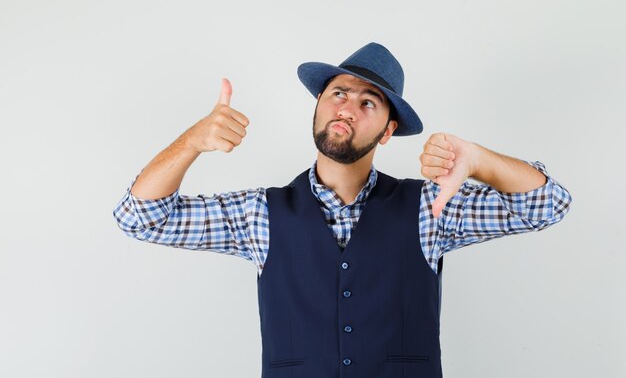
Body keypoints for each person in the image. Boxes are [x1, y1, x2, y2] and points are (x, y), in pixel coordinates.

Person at [113, 42, 572, 377]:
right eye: (338, 94)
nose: (347, 108)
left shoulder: (431, 209)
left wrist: (478, 161)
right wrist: (192, 142)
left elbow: (548, 204)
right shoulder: (259, 215)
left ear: (388, 130)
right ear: (318, 105)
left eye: (367, 102)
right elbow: (139, 218)